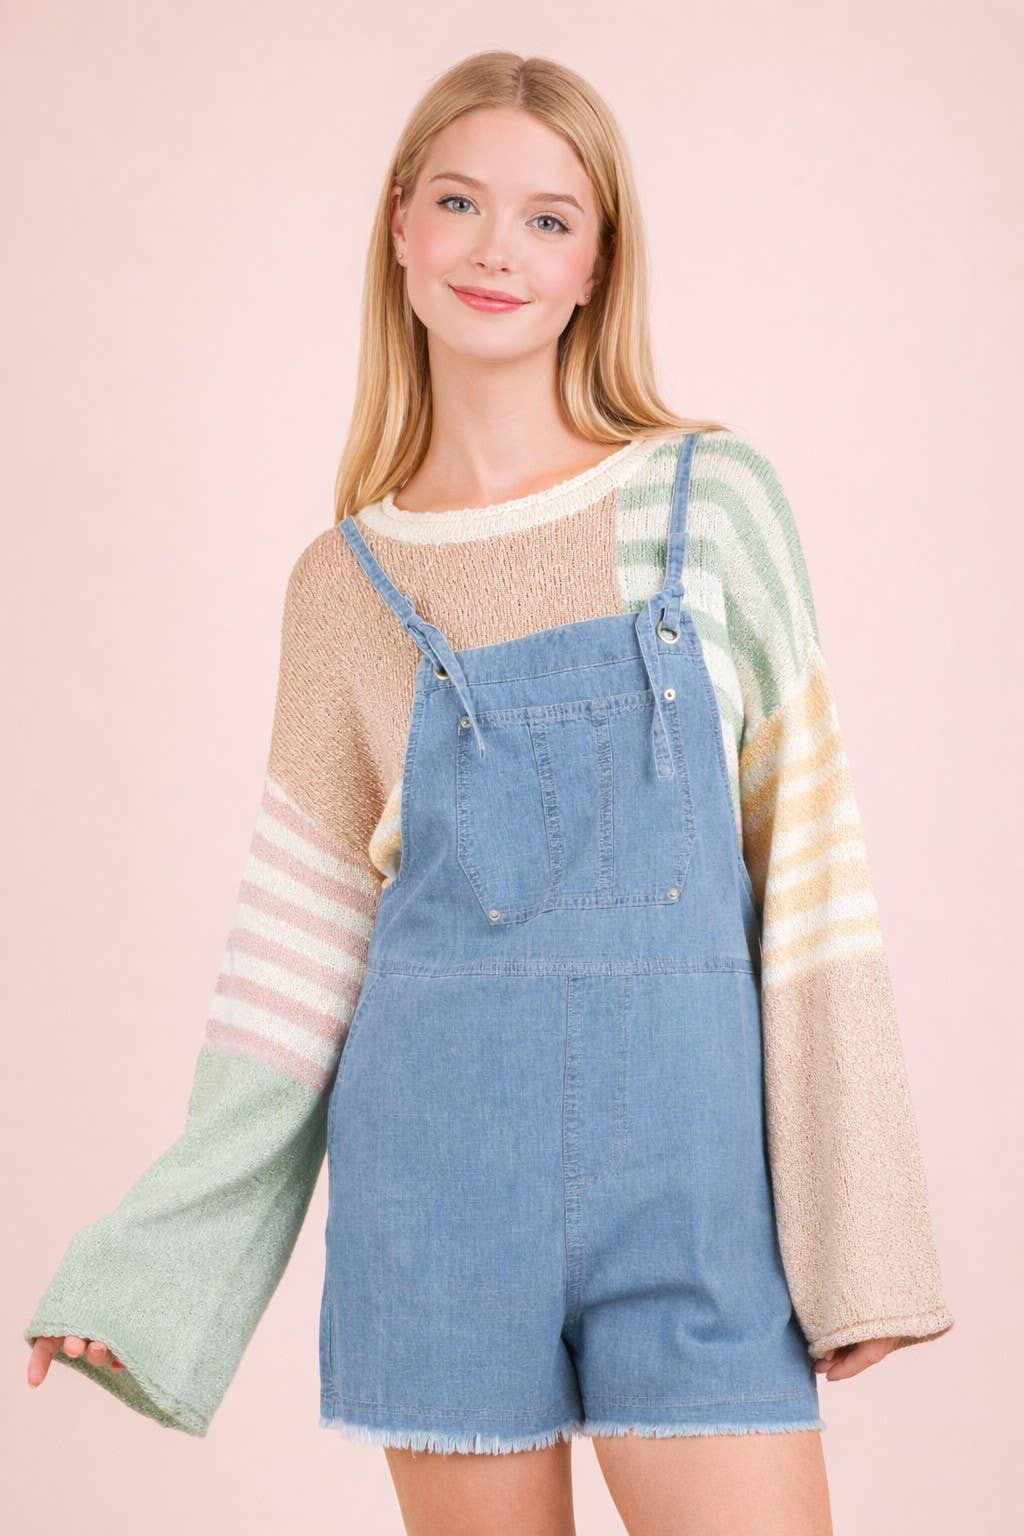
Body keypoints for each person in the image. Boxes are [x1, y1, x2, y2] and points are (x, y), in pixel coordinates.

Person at [24, 49, 953, 1536]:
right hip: (436, 1202)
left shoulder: (709, 506)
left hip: (695, 1206)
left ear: (596, 264)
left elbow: (815, 880)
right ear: (399, 225)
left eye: (547, 218)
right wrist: (148, 1275)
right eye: (458, 202)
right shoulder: (343, 586)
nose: (495, 250)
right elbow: (295, 956)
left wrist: (862, 1244)